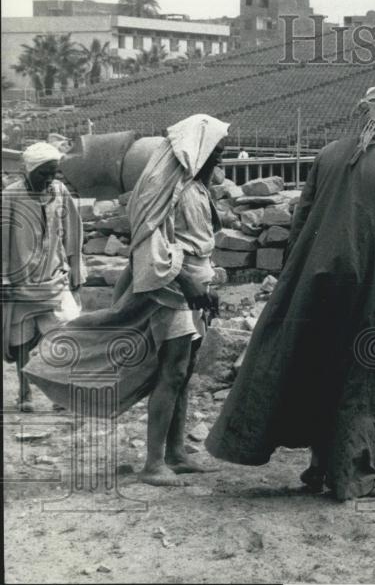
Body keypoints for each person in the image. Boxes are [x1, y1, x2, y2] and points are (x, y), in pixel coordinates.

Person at [206, 77, 375, 501]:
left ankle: (317, 469)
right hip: (364, 284)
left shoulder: (327, 155)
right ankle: (352, 476)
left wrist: (294, 281)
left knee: (316, 368)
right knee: (360, 375)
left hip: (310, 281)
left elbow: (300, 224)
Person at [25, 114, 229, 486]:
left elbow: (198, 243)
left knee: (182, 374)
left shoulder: (196, 188)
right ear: (198, 152)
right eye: (217, 152)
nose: (221, 160)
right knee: (171, 372)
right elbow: (151, 243)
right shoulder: (166, 187)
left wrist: (207, 285)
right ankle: (153, 464)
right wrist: (188, 281)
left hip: (195, 290)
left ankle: (176, 452)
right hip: (171, 290)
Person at [2, 142, 84, 412]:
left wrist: (76, 269)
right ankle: (24, 393)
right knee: (21, 340)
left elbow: (73, 230)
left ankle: (60, 394)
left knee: (65, 334)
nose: (49, 179)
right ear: (28, 171)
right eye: (43, 173)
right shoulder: (10, 196)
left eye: (54, 173)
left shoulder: (59, 192)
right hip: (20, 283)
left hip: (54, 279)